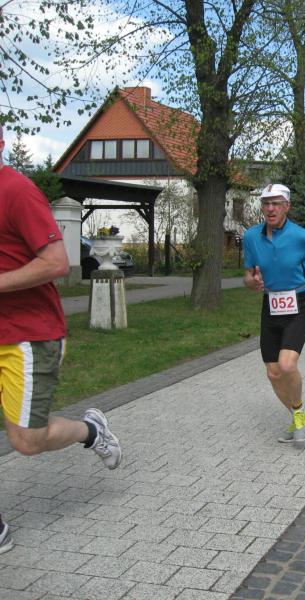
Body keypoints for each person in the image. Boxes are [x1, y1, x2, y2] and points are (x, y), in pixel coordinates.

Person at [0, 124, 122, 555]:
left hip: (27, 337)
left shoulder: (16, 191)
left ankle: (91, 431)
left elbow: (56, 262)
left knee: (26, 441)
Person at [243, 184, 305, 445]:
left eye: (276, 203)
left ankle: (298, 413)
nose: (270, 208)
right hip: (271, 304)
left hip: (300, 302)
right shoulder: (251, 237)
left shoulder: (302, 236)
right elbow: (248, 275)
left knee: (286, 365)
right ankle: (300, 415)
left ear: (287, 206)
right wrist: (252, 282)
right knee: (273, 373)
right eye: (266, 203)